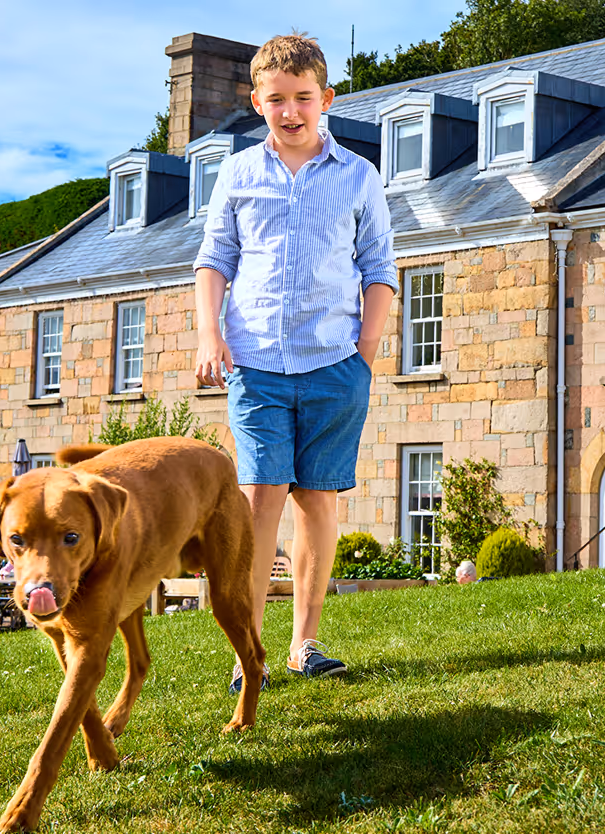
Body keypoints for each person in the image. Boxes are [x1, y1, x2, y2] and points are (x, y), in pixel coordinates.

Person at [192, 32, 396, 693]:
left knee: (317, 504)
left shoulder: (359, 176)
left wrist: (363, 357)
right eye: (276, 100)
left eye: (303, 98)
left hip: (336, 366)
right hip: (256, 367)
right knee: (258, 504)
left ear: (325, 99)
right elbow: (213, 260)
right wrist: (207, 335)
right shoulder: (238, 174)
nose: (290, 112)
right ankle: (247, 654)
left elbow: (380, 270)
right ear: (257, 102)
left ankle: (303, 645)